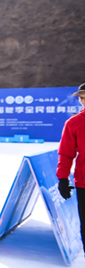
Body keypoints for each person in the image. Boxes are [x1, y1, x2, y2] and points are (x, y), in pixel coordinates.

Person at [56, 83, 85, 253]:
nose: (83, 102)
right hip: (83, 183)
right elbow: (66, 154)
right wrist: (62, 178)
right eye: (82, 98)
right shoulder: (73, 123)